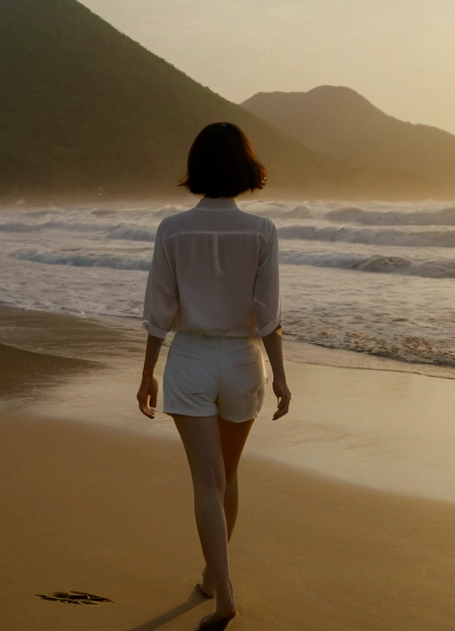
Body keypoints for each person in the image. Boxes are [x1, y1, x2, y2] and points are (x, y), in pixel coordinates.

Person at [136, 122, 291, 630]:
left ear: (197, 167)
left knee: (207, 481)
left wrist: (147, 373)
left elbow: (160, 310)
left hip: (192, 358)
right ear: (245, 167)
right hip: (246, 360)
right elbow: (267, 314)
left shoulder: (172, 230)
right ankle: (212, 577)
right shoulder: (263, 230)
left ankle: (221, 590)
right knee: (229, 475)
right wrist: (283, 377)